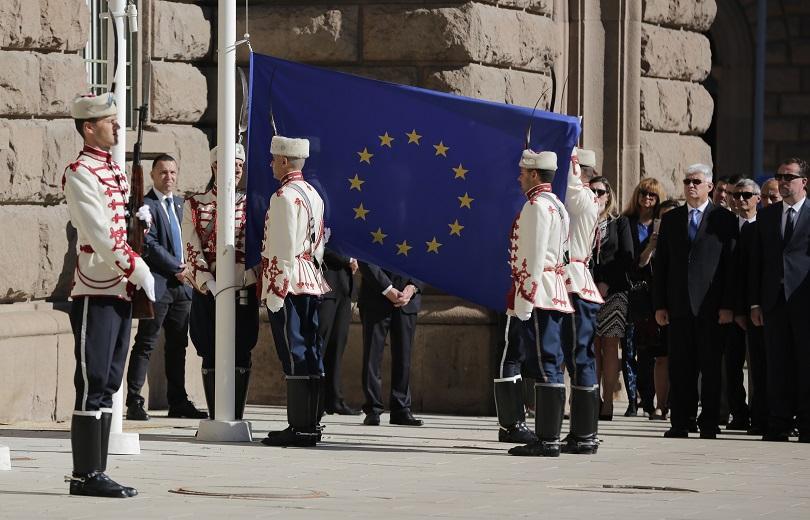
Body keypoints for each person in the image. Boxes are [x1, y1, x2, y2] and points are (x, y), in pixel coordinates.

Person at [63, 93, 155, 497]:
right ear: (88, 127)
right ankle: (85, 474)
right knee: (92, 378)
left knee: (111, 380)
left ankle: (97, 470)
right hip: (96, 286)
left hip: (119, 287)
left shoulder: (113, 170)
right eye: (110, 121)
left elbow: (120, 226)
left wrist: (141, 223)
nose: (118, 127)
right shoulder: (81, 172)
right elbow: (100, 235)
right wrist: (136, 265)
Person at [654, 163, 738, 439]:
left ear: (710, 187)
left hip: (711, 308)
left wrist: (728, 304)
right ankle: (681, 421)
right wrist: (660, 305)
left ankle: (710, 422)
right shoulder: (672, 219)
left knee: (710, 367)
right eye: (688, 181)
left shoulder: (723, 220)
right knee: (680, 367)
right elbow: (662, 266)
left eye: (697, 182)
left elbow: (730, 266)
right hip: (678, 306)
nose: (691, 186)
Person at [260, 135, 330, 446]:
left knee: (294, 351)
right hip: (310, 276)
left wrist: (275, 290)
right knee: (311, 352)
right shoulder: (313, 193)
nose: (272, 163)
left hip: (290, 280)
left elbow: (282, 249)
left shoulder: (284, 197)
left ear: (285, 161)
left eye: (275, 158)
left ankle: (300, 427)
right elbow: (319, 245)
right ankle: (311, 424)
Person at [125, 154, 206, 421]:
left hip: (183, 290)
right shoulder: (145, 206)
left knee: (177, 345)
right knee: (146, 342)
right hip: (159, 285)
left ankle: (178, 400)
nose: (168, 177)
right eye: (163, 173)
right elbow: (150, 245)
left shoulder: (182, 205)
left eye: (172, 172)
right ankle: (135, 399)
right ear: (152, 175)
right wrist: (179, 268)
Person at [505, 150, 575, 458]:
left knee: (546, 363)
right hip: (554, 289)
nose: (520, 177)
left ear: (535, 175)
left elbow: (532, 256)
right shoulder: (557, 205)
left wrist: (525, 298)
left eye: (523, 172)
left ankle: (547, 440)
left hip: (540, 291)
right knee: (552, 361)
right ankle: (551, 437)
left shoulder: (535, 206)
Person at [182, 143, 258, 421]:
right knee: (209, 348)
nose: (237, 170)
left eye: (240, 165)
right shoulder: (195, 204)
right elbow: (190, 248)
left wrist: (246, 279)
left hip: (243, 289)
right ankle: (216, 413)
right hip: (208, 290)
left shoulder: (252, 205)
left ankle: (235, 414)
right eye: (231, 165)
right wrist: (208, 283)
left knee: (242, 347)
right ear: (215, 167)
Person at [749, 157, 810, 443]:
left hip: (804, 303)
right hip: (773, 302)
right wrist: (755, 303)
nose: (783, 182)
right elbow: (758, 263)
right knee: (777, 363)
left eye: (789, 177)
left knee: (805, 363)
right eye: (780, 177)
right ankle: (779, 423)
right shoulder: (768, 216)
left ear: (803, 182)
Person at [559, 148, 603, 454]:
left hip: (575, 282)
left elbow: (570, 185)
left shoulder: (583, 198)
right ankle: (583, 432)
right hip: (574, 280)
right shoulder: (583, 199)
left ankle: (584, 433)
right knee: (578, 358)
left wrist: (568, 144)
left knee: (579, 357)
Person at [359, 262, 425, 427]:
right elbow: (364, 259)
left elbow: (427, 258)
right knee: (372, 357)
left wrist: (413, 287)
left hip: (407, 300)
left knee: (404, 357)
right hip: (375, 297)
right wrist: (387, 289)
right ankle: (373, 409)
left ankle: (401, 409)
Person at [621, 178, 666, 418]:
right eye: (644, 193)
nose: (647, 198)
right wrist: (648, 249)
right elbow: (632, 260)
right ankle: (631, 400)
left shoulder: (662, 223)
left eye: (652, 195)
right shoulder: (626, 222)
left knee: (650, 350)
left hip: (654, 292)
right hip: (631, 290)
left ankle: (649, 399)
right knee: (628, 348)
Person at [591, 176, 633, 421]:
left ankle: (608, 400)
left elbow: (626, 257)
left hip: (614, 292)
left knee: (609, 345)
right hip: (586, 291)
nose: (596, 195)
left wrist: (606, 282)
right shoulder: (583, 219)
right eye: (592, 191)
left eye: (600, 191)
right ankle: (592, 397)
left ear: (608, 196)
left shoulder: (620, 222)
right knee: (591, 347)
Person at [634, 198, 680, 421]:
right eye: (663, 217)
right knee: (659, 357)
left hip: (679, 301)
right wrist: (652, 245)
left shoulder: (685, 236)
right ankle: (659, 405)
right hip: (654, 303)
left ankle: (678, 403)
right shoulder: (652, 239)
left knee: (681, 357)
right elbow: (640, 264)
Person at [730, 179, 766, 435]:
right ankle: (738, 413)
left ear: (757, 199)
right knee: (731, 366)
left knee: (759, 366)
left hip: (756, 308)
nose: (741, 200)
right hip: (731, 309)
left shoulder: (765, 227)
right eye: (737, 195)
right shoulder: (726, 227)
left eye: (746, 195)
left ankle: (760, 414)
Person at [319, 248, 361, 415]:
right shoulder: (323, 220)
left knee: (337, 346)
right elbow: (321, 246)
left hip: (344, 288)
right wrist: (348, 258)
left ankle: (334, 399)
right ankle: (317, 399)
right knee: (320, 345)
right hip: (326, 285)